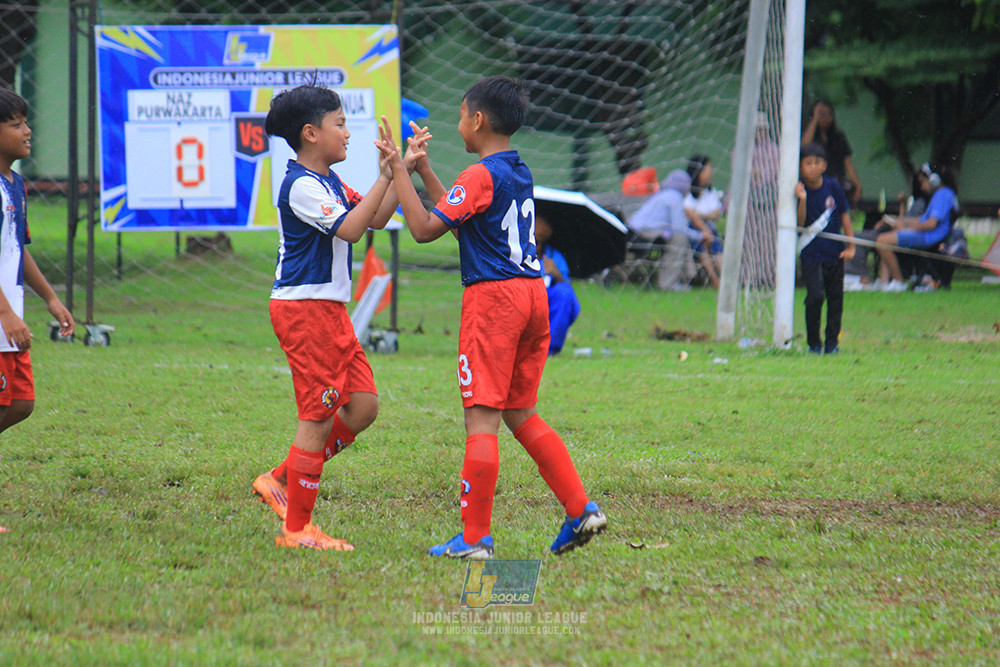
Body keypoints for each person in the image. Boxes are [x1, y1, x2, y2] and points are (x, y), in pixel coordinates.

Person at [378, 75, 608, 558]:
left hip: (495, 304)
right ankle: (580, 508)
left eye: (461, 114)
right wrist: (421, 172)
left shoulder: (478, 176)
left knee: (481, 420)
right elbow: (464, 220)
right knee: (521, 412)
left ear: (477, 120)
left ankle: (475, 537)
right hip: (532, 298)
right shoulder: (514, 170)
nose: (458, 122)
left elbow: (423, 228)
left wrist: (396, 167)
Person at [250, 84, 424, 551]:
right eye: (340, 124)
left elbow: (375, 220)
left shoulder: (327, 180)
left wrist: (396, 172)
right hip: (305, 310)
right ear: (311, 133)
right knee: (319, 414)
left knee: (363, 406)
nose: (348, 133)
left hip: (330, 310)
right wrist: (385, 177)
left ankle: (282, 478)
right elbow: (351, 226)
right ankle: (297, 530)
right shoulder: (302, 184)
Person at [0, 89, 76, 533]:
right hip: (3, 318)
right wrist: (8, 314)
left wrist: (49, 297)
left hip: (9, 319)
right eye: (15, 124)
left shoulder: (15, 183)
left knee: (22, 403)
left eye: (26, 121)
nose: (28, 131)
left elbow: (17, 248)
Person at [795, 143, 855, 354]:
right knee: (815, 296)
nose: (812, 167)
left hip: (834, 251)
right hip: (810, 253)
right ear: (801, 166)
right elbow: (800, 224)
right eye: (808, 163)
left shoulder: (833, 186)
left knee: (835, 298)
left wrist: (851, 246)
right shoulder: (799, 188)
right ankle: (813, 343)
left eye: (817, 163)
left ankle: (832, 344)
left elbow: (845, 216)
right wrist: (802, 200)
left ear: (824, 165)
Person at [874, 163, 958, 292]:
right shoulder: (943, 194)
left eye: (923, 182)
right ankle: (885, 282)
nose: (922, 186)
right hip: (927, 235)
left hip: (928, 237)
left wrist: (906, 228)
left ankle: (898, 281)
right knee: (884, 239)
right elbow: (924, 219)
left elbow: (931, 224)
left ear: (934, 181)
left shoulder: (943, 195)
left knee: (882, 241)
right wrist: (900, 221)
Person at [626, 169, 696, 291]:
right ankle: (668, 283)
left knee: (677, 237)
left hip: (631, 233)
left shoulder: (660, 194)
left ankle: (688, 275)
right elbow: (679, 228)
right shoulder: (675, 197)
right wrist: (699, 235)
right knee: (680, 239)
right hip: (645, 234)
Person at [801, 99, 863, 205]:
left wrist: (857, 185)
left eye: (829, 114)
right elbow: (804, 147)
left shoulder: (838, 137)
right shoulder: (811, 136)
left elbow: (848, 163)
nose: (826, 118)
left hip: (836, 183)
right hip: (816, 183)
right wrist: (815, 119)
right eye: (822, 114)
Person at [534, 215, 580, 355]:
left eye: (538, 242)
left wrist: (556, 274)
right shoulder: (514, 254)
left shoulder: (553, 256)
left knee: (564, 292)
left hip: (546, 301)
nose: (534, 246)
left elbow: (567, 290)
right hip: (522, 298)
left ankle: (550, 348)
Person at [683, 154, 724, 288]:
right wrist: (704, 224)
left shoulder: (710, 192)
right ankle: (714, 280)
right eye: (707, 169)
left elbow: (716, 213)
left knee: (716, 246)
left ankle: (724, 279)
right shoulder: (688, 192)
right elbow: (690, 213)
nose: (710, 172)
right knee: (702, 245)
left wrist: (702, 216)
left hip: (709, 229)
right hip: (693, 230)